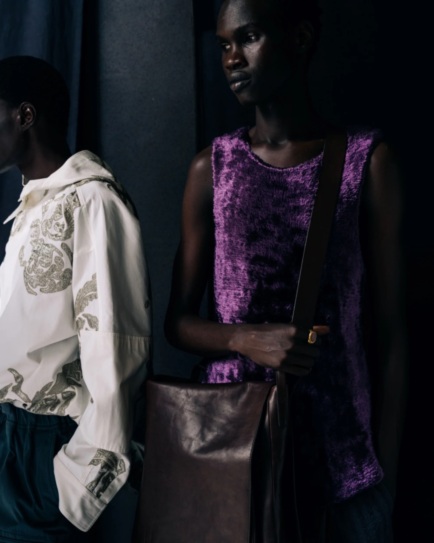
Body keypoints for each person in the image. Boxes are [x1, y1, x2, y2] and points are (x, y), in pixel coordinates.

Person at [164, 0, 407, 541]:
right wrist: (246, 339)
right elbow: (176, 323)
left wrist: (383, 473)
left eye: (249, 37)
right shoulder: (212, 168)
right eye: (224, 45)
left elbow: (394, 337)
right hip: (233, 452)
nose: (232, 59)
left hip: (346, 468)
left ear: (299, 38)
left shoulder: (367, 162)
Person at [0, 56, 151, 541]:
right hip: (9, 436)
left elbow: (115, 349)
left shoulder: (93, 201)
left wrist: (73, 490)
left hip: (41, 448)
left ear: (24, 116)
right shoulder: (36, 202)